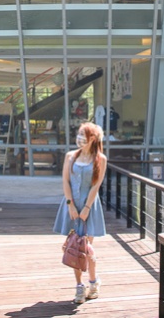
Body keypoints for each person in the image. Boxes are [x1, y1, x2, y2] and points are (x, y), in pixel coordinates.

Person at [54, 122, 107, 304]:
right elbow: (65, 181)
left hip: (89, 208)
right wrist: (70, 205)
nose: (79, 139)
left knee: (85, 247)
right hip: (71, 206)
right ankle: (79, 286)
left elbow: (95, 186)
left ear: (92, 139)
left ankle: (93, 282)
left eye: (83, 136)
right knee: (74, 246)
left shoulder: (101, 159)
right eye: (78, 135)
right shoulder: (70, 156)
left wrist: (86, 209)